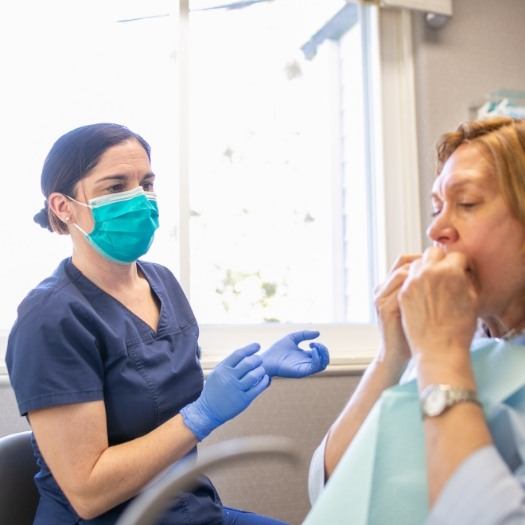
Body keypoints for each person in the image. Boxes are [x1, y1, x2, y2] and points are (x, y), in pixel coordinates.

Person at [5, 122, 330, 525]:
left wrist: (254, 371)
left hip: (188, 510)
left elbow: (155, 388)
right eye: (115, 186)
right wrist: (203, 414)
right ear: (62, 206)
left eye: (146, 183)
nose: (139, 200)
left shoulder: (162, 282)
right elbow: (88, 492)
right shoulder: (50, 318)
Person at [308, 116, 525, 523]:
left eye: (467, 203)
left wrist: (441, 355)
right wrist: (393, 354)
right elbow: (332, 482)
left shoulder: (445, 348)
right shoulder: (452, 341)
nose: (437, 228)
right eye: (436, 207)